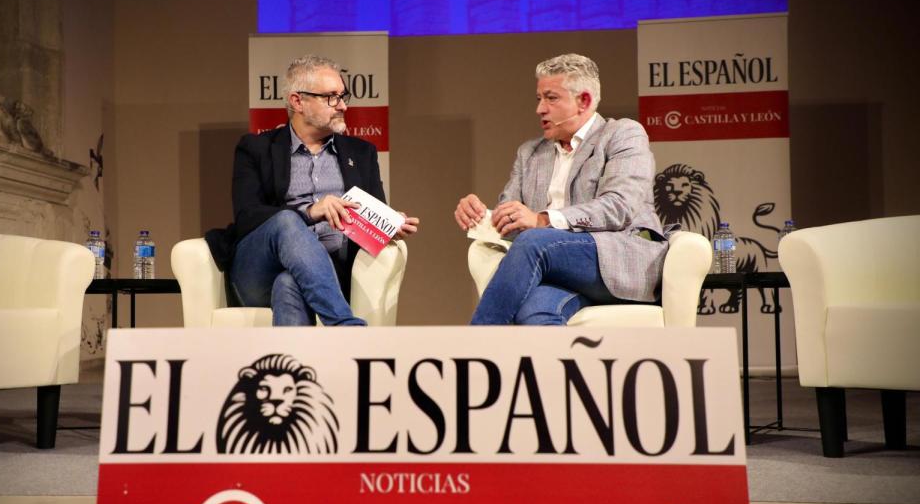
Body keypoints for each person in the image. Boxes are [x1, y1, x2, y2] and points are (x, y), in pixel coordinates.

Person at [454, 53, 668, 325]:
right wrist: (481, 215)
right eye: (539, 98)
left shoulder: (622, 135)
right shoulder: (530, 153)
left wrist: (542, 220)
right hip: (556, 270)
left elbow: (619, 207)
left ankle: (474, 350)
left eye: (551, 98)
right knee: (537, 315)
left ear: (584, 101)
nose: (540, 109)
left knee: (533, 241)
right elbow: (511, 218)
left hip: (613, 260)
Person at [207, 55, 419, 326]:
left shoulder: (361, 153)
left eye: (343, 96)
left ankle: (301, 366)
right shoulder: (256, 149)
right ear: (298, 102)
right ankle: (345, 325)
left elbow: (370, 214)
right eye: (331, 97)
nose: (342, 105)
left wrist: (388, 224)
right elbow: (248, 216)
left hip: (329, 271)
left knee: (289, 283)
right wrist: (309, 212)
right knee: (286, 220)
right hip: (258, 271)